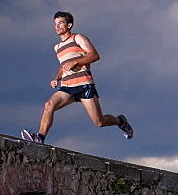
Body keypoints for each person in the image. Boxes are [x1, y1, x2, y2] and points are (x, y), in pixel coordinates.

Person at [21, 11, 133, 144]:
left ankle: (120, 121)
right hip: (67, 87)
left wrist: (76, 62)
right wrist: (57, 78)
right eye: (55, 24)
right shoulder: (57, 47)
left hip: (84, 85)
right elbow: (63, 65)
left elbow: (95, 55)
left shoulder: (78, 38)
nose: (57, 26)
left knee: (99, 122)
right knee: (49, 105)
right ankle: (40, 138)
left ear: (69, 25)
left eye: (60, 23)